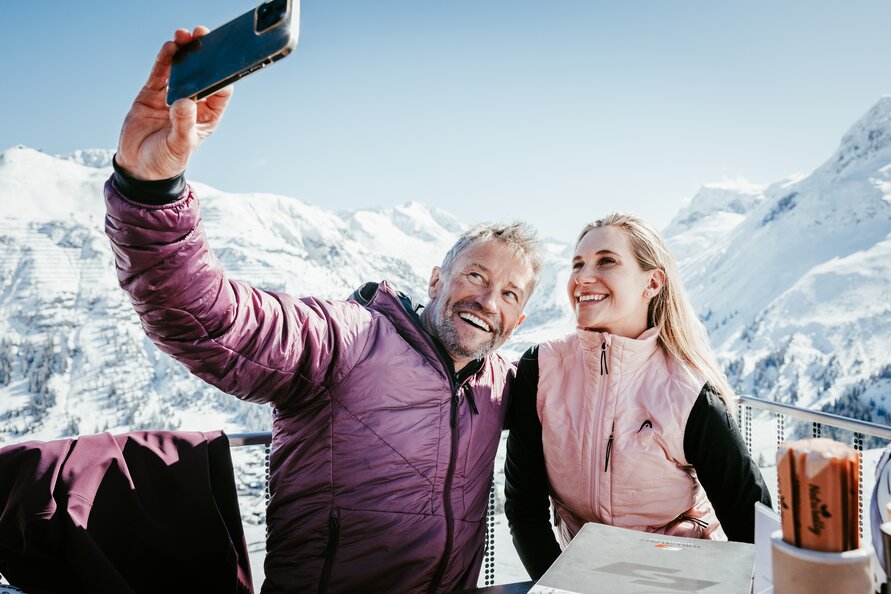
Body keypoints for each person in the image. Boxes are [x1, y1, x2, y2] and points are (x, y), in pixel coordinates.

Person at [104, 29, 544, 593]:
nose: (488, 301)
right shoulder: (346, 340)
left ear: (519, 322)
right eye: (477, 276)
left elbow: (600, 412)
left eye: (510, 294)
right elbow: (206, 317)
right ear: (437, 279)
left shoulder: (503, 385)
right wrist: (151, 187)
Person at [504, 212, 772, 580]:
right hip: (582, 577)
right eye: (577, 264)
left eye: (607, 261)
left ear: (653, 282)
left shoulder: (689, 392)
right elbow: (524, 507)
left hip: (682, 581)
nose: (583, 277)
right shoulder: (541, 369)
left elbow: (753, 524)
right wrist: (561, 585)